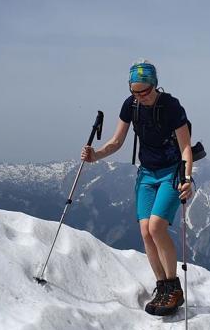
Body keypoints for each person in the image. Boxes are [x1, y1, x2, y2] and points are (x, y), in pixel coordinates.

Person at [81, 61, 194, 316]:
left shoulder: (170, 106)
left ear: (155, 85)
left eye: (145, 91)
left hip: (171, 173)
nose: (141, 97)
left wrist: (186, 178)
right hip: (146, 173)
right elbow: (117, 141)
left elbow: (186, 147)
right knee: (145, 231)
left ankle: (174, 288)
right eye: (135, 92)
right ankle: (162, 286)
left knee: (156, 226)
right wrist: (95, 156)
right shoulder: (130, 105)